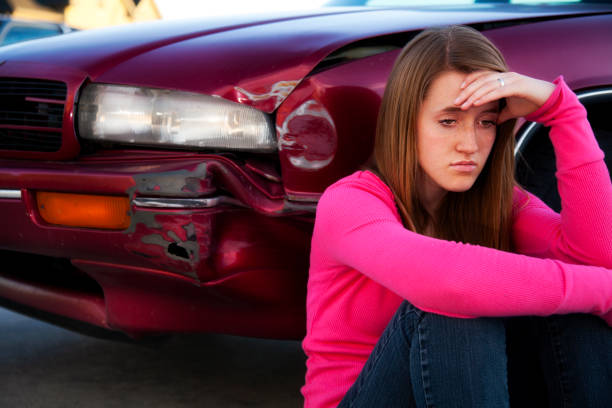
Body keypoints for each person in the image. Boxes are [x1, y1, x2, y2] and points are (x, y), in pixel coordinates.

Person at [301, 25, 612, 408]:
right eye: (448, 121)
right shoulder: (350, 202)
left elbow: (597, 256)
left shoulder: (502, 203)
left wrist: (564, 113)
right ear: (406, 122)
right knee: (452, 310)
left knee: (578, 311)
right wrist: (604, 290)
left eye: (485, 122)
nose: (470, 144)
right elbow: (451, 283)